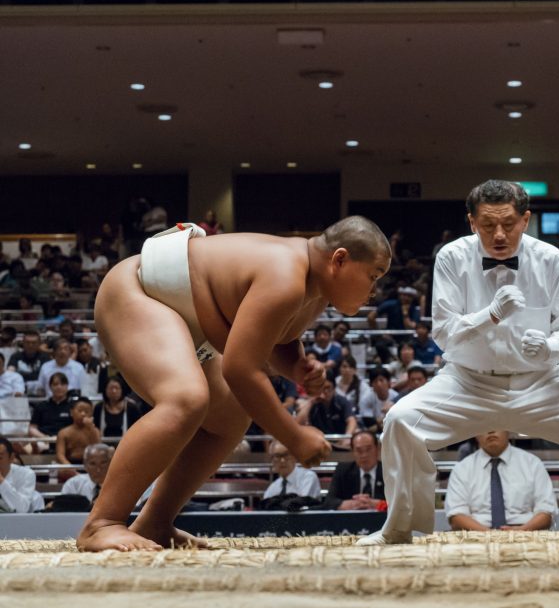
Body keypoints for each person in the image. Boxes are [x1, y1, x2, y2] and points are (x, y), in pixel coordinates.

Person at [360, 180, 559, 545]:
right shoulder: (452, 257)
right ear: (472, 222)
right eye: (488, 225)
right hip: (467, 383)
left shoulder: (551, 259)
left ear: (525, 220)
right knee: (400, 421)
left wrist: (549, 348)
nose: (499, 235)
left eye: (508, 223)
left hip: (540, 384)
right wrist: (488, 315)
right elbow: (443, 333)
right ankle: (398, 528)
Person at [75, 215, 391, 552]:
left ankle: (155, 522)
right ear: (339, 260)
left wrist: (297, 367)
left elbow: (276, 341)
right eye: (372, 276)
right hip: (137, 291)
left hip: (181, 316)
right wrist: (294, 436)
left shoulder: (313, 292)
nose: (374, 291)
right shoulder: (286, 275)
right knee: (186, 399)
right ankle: (102, 523)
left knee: (230, 415)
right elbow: (240, 369)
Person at [444, 430, 556, 531]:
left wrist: (521, 531)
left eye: (497, 425)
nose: (491, 431)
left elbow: (546, 512)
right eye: (484, 426)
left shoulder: (532, 464)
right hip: (475, 534)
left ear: (508, 430)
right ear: (476, 434)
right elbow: (456, 516)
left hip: (527, 533)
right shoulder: (462, 469)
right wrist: (489, 535)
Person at [327, 429, 385, 510]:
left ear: (377, 449)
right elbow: (329, 501)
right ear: (352, 452)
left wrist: (378, 504)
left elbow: (397, 502)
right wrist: (352, 504)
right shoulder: (343, 471)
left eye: (368, 449)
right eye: (359, 450)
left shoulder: (387, 472)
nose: (364, 455)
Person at [27, 372, 75, 452]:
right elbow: (32, 428)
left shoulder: (74, 406)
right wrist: (45, 438)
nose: (59, 387)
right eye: (55, 384)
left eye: (62, 384)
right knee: (27, 447)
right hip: (44, 440)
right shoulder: (41, 406)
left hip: (68, 441)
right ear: (50, 387)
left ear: (67, 386)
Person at [0, 438, 43, 513]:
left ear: (11, 457)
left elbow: (22, 509)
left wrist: (1, 481)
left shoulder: (26, 475)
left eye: (0, 458)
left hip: (17, 520)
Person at [56, 398, 101, 468]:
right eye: (80, 410)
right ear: (71, 412)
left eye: (87, 411)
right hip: (69, 464)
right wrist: (70, 467)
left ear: (91, 413)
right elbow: (60, 455)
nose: (83, 414)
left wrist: (91, 429)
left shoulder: (95, 431)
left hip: (91, 465)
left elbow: (98, 450)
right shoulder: (63, 433)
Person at [8, 330, 50, 396]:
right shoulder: (15, 356)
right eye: (27, 342)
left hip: (40, 391)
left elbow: (48, 377)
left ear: (39, 343)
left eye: (34, 343)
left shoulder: (45, 357)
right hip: (19, 390)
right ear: (23, 343)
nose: (30, 345)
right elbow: (10, 374)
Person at [358, 367, 399, 432]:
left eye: (381, 380)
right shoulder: (366, 398)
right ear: (371, 384)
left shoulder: (396, 397)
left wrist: (379, 422)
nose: (379, 384)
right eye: (375, 381)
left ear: (388, 382)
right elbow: (369, 424)